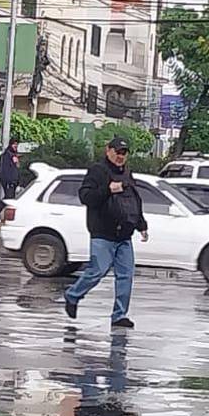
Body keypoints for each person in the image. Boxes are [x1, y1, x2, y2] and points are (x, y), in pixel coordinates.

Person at [63, 136, 148, 329]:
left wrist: (141, 224)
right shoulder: (98, 171)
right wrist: (108, 190)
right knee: (97, 271)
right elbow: (86, 197)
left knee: (126, 275)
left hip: (124, 234)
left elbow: (134, 199)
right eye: (117, 152)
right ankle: (73, 295)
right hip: (103, 233)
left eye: (124, 153)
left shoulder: (126, 172)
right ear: (108, 151)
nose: (120, 156)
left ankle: (119, 316)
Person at [0, 136, 21, 216]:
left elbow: (16, 168)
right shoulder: (7, 155)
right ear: (10, 144)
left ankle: (3, 213)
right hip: (8, 180)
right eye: (14, 144)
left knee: (10, 197)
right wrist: (8, 180)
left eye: (17, 144)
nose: (16, 146)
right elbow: (5, 169)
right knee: (8, 198)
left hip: (13, 180)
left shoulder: (13, 155)